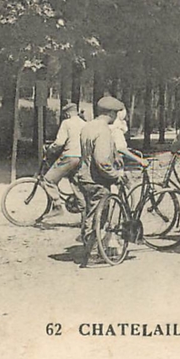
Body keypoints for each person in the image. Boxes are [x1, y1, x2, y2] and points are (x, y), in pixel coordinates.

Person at [77, 96, 128, 266]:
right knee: (99, 216)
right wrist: (116, 175)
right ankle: (91, 255)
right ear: (111, 113)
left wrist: (115, 154)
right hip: (97, 180)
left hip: (84, 177)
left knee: (91, 214)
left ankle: (92, 249)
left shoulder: (88, 127)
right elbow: (102, 161)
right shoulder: (104, 130)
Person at [42, 103, 86, 218]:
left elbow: (60, 142)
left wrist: (50, 149)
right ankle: (84, 211)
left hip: (69, 156)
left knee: (48, 180)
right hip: (81, 158)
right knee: (76, 183)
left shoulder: (66, 123)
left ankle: (57, 206)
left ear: (67, 114)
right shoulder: (84, 124)